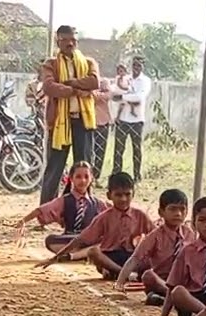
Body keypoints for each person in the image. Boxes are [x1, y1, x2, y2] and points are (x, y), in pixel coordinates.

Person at [37, 172, 153, 278]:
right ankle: (123, 273)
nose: (123, 199)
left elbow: (158, 235)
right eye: (118, 195)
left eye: (127, 194)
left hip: (132, 257)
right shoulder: (104, 217)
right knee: (93, 252)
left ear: (133, 194)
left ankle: (121, 273)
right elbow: (80, 239)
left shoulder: (140, 216)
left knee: (149, 256)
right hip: (110, 257)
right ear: (109, 195)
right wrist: (56, 257)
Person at [39, 26, 100, 203]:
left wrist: (69, 83)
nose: (70, 43)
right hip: (59, 122)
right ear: (58, 41)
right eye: (66, 40)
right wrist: (77, 90)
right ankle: (47, 210)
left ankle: (84, 206)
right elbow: (49, 87)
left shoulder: (89, 62)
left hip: (83, 121)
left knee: (84, 166)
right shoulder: (51, 64)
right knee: (55, 167)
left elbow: (94, 81)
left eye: (73, 39)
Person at [115, 188, 194, 302]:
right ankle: (174, 297)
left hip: (183, 282)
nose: (178, 214)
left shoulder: (189, 234)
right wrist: (119, 283)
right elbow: (135, 259)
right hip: (162, 281)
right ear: (161, 212)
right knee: (148, 276)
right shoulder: (155, 236)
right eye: (172, 209)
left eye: (182, 209)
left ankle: (169, 298)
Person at [15, 162, 104, 254]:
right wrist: (23, 221)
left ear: (91, 178)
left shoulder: (97, 203)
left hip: (88, 239)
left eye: (86, 177)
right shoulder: (64, 200)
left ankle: (77, 254)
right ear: (71, 178)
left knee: (101, 239)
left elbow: (113, 213)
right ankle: (83, 253)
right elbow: (41, 210)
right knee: (50, 240)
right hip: (69, 239)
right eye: (78, 177)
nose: (83, 180)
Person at [112, 57, 151, 181]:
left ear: (143, 67)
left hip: (137, 120)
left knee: (137, 149)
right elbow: (114, 93)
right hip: (123, 119)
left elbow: (140, 97)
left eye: (139, 66)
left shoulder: (145, 81)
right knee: (118, 149)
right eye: (134, 65)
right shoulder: (126, 79)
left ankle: (137, 175)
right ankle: (116, 175)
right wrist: (126, 96)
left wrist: (123, 97)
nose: (136, 68)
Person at [89, 73, 115, 182]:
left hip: (103, 122)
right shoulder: (88, 80)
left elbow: (108, 95)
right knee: (89, 150)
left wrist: (94, 93)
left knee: (101, 151)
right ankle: (88, 175)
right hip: (90, 122)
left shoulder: (104, 81)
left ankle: (96, 176)